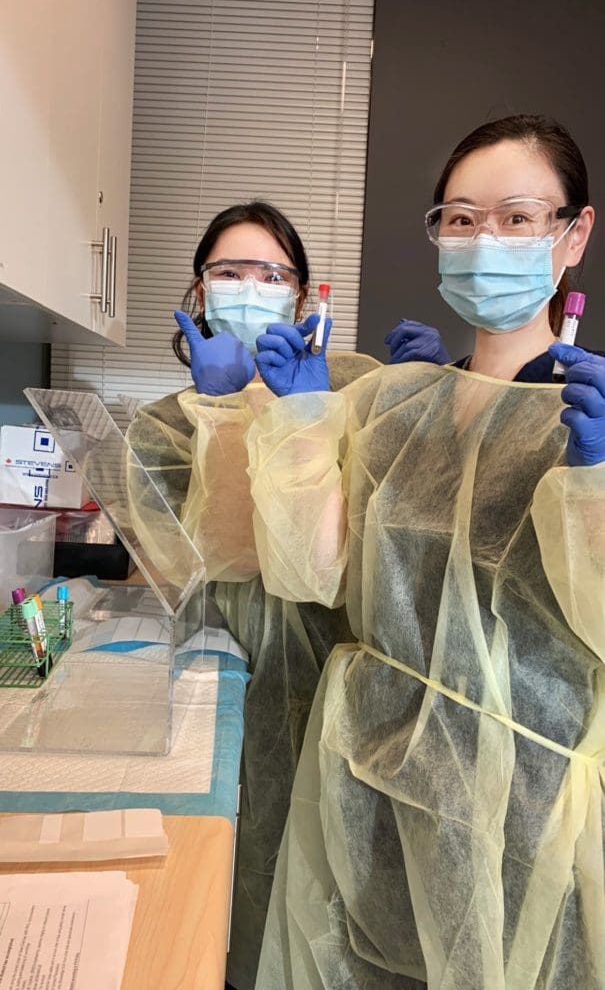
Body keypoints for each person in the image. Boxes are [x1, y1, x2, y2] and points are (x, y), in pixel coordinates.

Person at [234, 116, 605, 989]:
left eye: (517, 218)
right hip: (368, 779)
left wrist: (596, 483)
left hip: (523, 812)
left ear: (572, 233)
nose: (485, 241)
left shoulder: (587, 417)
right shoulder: (395, 407)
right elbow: (311, 572)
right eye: (461, 219)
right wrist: (300, 423)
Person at [126, 200, 385, 990]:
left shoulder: (344, 394)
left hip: (326, 673)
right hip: (212, 677)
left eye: (271, 274)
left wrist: (292, 410)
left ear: (303, 297)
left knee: (319, 876)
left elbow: (342, 557)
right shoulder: (162, 426)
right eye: (229, 272)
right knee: (218, 868)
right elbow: (205, 561)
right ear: (198, 291)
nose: (250, 288)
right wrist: (223, 413)